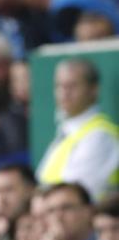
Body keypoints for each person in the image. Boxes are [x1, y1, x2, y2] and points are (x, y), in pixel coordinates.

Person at [36, 59, 119, 199]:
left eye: (72, 86)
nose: (64, 93)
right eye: (59, 86)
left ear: (94, 90)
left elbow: (72, 194)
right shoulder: (66, 132)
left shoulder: (100, 135)